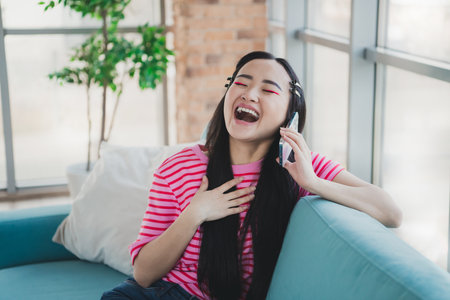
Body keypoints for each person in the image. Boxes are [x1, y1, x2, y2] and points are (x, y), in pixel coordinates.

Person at [101, 51, 402, 300]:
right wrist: (195, 212)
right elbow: (143, 273)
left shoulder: (301, 167)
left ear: (290, 114)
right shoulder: (179, 167)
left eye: (268, 90)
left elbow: (390, 212)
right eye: (240, 84)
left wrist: (312, 183)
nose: (249, 94)